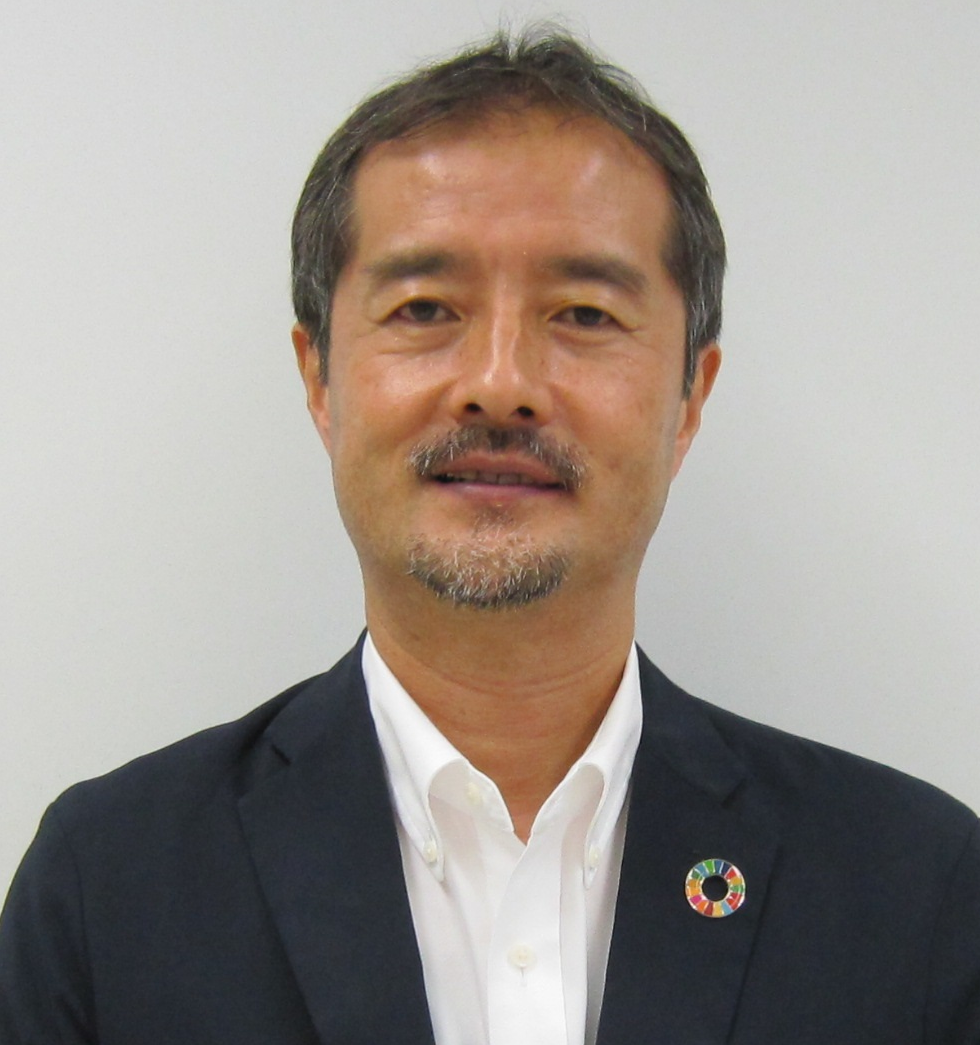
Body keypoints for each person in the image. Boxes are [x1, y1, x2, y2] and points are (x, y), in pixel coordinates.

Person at [1, 27, 978, 1045]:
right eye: (425, 307)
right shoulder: (109, 890)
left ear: (690, 396)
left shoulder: (911, 893)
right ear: (319, 378)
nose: (501, 383)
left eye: (583, 314)